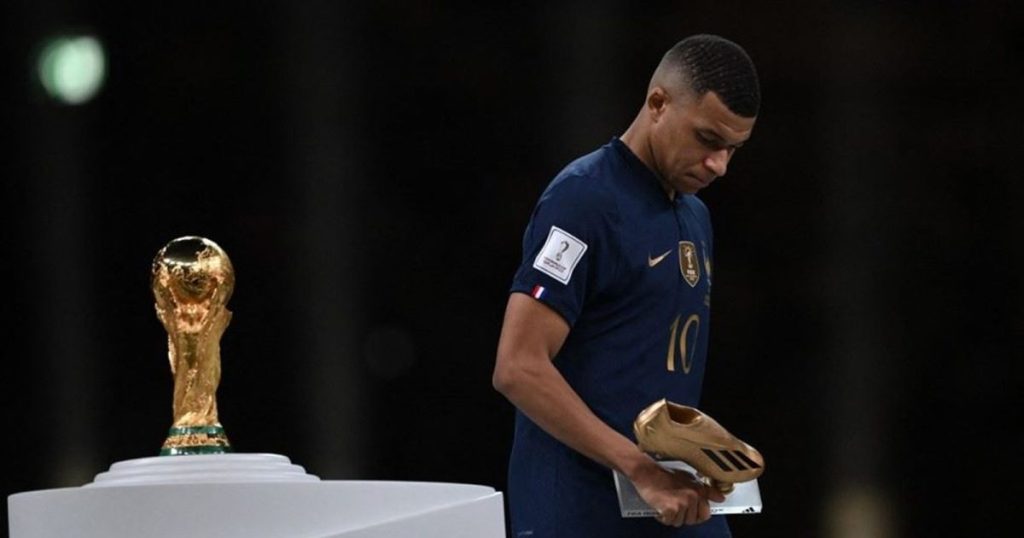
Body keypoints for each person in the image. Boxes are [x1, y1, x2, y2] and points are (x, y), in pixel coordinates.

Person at [493, 34, 760, 537]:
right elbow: (518, 367)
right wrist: (639, 468)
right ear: (657, 103)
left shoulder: (696, 216)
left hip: (670, 497)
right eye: (707, 139)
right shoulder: (583, 199)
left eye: (732, 149)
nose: (719, 165)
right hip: (580, 510)